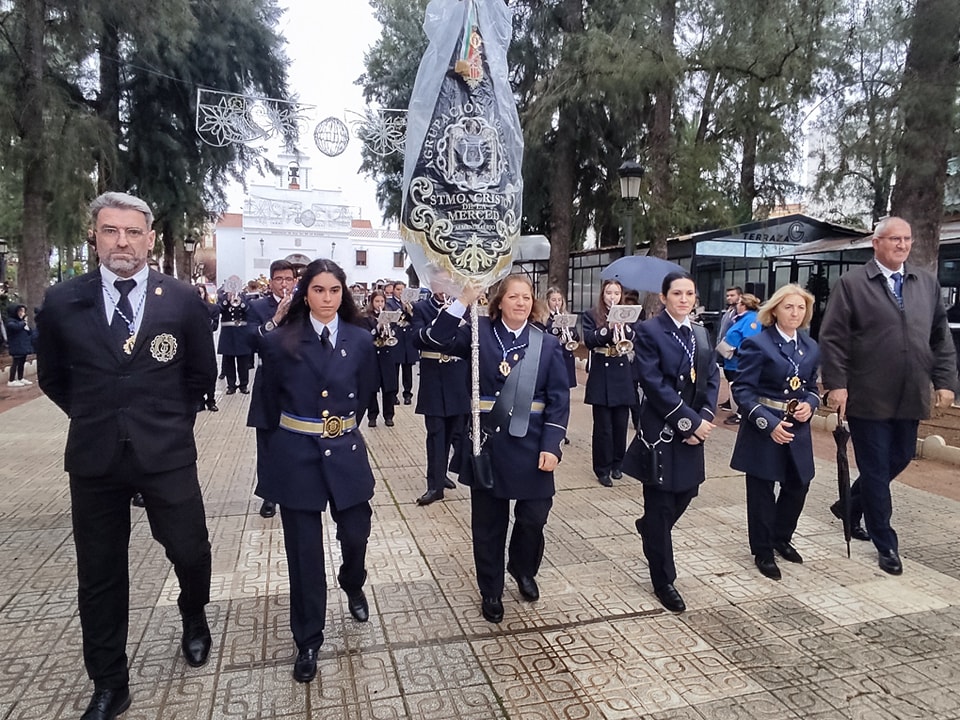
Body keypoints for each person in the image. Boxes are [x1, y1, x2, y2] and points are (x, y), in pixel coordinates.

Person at [36, 191, 217, 720]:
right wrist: (99, 417)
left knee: (190, 551)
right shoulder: (63, 301)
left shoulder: (180, 299)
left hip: (166, 453)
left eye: (133, 232)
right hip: (95, 459)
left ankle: (193, 613)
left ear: (150, 239)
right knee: (99, 573)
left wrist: (165, 423)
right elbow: (53, 378)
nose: (122, 242)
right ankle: (110, 681)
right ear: (94, 235)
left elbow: (200, 375)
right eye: (111, 230)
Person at [253, 258, 378, 683]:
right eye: (319, 290)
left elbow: (364, 393)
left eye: (334, 290)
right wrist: (271, 469)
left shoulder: (360, 340)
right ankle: (308, 639)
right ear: (304, 294)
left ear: (344, 294)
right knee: (304, 555)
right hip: (298, 455)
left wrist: (342, 427)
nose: (327, 298)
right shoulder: (280, 342)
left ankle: (352, 580)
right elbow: (267, 407)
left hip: (346, 451)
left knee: (356, 533)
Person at [420, 274, 570, 623]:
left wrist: (553, 445)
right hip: (488, 442)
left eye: (527, 297)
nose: (521, 302)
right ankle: (491, 588)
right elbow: (435, 339)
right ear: (499, 301)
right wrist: (463, 301)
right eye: (514, 296)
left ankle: (522, 567)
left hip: (533, 442)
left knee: (534, 517)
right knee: (488, 524)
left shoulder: (546, 343)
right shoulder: (478, 332)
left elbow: (559, 399)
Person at [819, 216, 957, 576]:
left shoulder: (925, 283)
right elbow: (833, 338)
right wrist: (836, 384)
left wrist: (945, 382)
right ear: (876, 243)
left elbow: (940, 337)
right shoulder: (852, 284)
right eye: (895, 239)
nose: (902, 245)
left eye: (907, 239)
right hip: (868, 394)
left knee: (900, 457)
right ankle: (886, 543)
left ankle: (849, 506)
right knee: (876, 470)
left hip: (910, 393)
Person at [625, 271, 718, 613]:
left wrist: (705, 416)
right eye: (677, 293)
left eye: (689, 294)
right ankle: (664, 580)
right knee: (662, 504)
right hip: (664, 430)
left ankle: (650, 528)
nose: (683, 299)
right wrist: (688, 422)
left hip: (694, 429)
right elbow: (652, 382)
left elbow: (711, 377)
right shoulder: (649, 331)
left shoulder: (701, 333)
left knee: (687, 492)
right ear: (664, 298)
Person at [729, 285, 821, 580]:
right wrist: (768, 424)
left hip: (797, 427)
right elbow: (742, 391)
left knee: (798, 484)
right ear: (775, 310)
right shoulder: (758, 344)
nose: (795, 313)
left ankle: (781, 537)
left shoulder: (810, 346)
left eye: (801, 308)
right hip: (765, 427)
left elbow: (811, 387)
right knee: (762, 491)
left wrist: (810, 404)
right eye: (788, 307)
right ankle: (763, 550)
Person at [246, 260, 297, 519]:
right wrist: (275, 319)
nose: (284, 283)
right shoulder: (257, 307)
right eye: (279, 279)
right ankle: (269, 494)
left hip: (298, 379)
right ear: (271, 281)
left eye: (288, 279)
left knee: (296, 438)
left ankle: (294, 488)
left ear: (295, 281)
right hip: (269, 380)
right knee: (267, 440)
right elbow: (251, 340)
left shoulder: (303, 305)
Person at [411, 291, 469, 505]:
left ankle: (442, 473)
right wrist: (441, 321)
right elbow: (416, 339)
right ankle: (434, 486)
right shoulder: (421, 308)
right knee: (436, 433)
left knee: (455, 431)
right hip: (433, 378)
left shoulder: (465, 307)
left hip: (457, 376)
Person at [582, 279, 637, 487]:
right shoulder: (591, 314)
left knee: (620, 425)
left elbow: (634, 338)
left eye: (616, 293)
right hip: (601, 373)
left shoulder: (627, 313)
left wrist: (624, 327)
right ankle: (602, 468)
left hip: (622, 372)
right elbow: (589, 340)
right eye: (608, 293)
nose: (612, 296)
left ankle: (617, 464)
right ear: (602, 294)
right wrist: (608, 328)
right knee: (603, 427)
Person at [718, 293, 762, 424]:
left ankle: (742, 415)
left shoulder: (752, 320)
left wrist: (735, 350)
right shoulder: (741, 318)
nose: (736, 305)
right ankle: (738, 412)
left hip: (739, 363)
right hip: (731, 362)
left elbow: (750, 343)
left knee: (740, 389)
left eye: (738, 303)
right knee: (734, 388)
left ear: (744, 305)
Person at [363, 290, 400, 427]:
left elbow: (394, 333)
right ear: (372, 302)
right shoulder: (366, 318)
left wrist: (389, 329)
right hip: (372, 356)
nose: (380, 304)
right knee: (372, 388)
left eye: (382, 301)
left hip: (386, 355)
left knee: (388, 387)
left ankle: (389, 416)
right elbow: (365, 336)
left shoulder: (389, 315)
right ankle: (372, 416)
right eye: (377, 301)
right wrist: (378, 326)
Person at [216, 283, 254, 394]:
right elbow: (218, 310)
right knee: (229, 361)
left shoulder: (245, 296)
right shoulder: (222, 297)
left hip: (242, 332)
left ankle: (244, 385)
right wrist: (227, 300)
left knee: (243, 362)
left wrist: (240, 301)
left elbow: (249, 311)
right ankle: (231, 385)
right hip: (228, 333)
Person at [388, 280, 417, 404]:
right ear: (393, 290)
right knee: (394, 369)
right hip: (397, 338)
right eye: (398, 289)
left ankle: (408, 394)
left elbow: (415, 319)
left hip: (408, 340)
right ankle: (393, 394)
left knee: (408, 369)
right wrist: (402, 310)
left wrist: (409, 309)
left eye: (402, 289)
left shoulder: (412, 303)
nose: (400, 292)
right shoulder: (389, 303)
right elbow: (391, 318)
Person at [543, 287, 579, 390]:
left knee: (566, 388)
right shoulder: (545, 318)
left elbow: (577, 337)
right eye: (553, 300)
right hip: (551, 356)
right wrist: (555, 329)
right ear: (548, 301)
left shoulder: (566, 316)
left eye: (559, 300)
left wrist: (570, 333)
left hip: (566, 356)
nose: (557, 303)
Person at [717, 286, 742, 410]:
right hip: (723, 348)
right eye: (727, 295)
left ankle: (736, 406)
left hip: (733, 350)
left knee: (734, 378)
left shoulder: (739, 313)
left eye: (732, 295)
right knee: (728, 376)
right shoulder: (729, 311)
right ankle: (729, 399)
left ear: (739, 296)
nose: (729, 298)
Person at [195, 285, 220, 412]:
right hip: (193, 343)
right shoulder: (189, 307)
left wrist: (206, 320)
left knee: (211, 371)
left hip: (207, 342)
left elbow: (215, 326)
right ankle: (198, 400)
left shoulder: (212, 308)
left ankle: (211, 400)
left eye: (201, 292)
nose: (200, 295)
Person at [5, 303, 33, 387]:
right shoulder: (10, 321)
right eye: (20, 311)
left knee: (22, 362)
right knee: (15, 362)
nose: (22, 313)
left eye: (23, 311)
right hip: (16, 346)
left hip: (22, 346)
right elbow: (15, 327)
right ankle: (11, 380)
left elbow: (29, 332)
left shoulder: (20, 322)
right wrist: (24, 323)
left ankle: (20, 378)